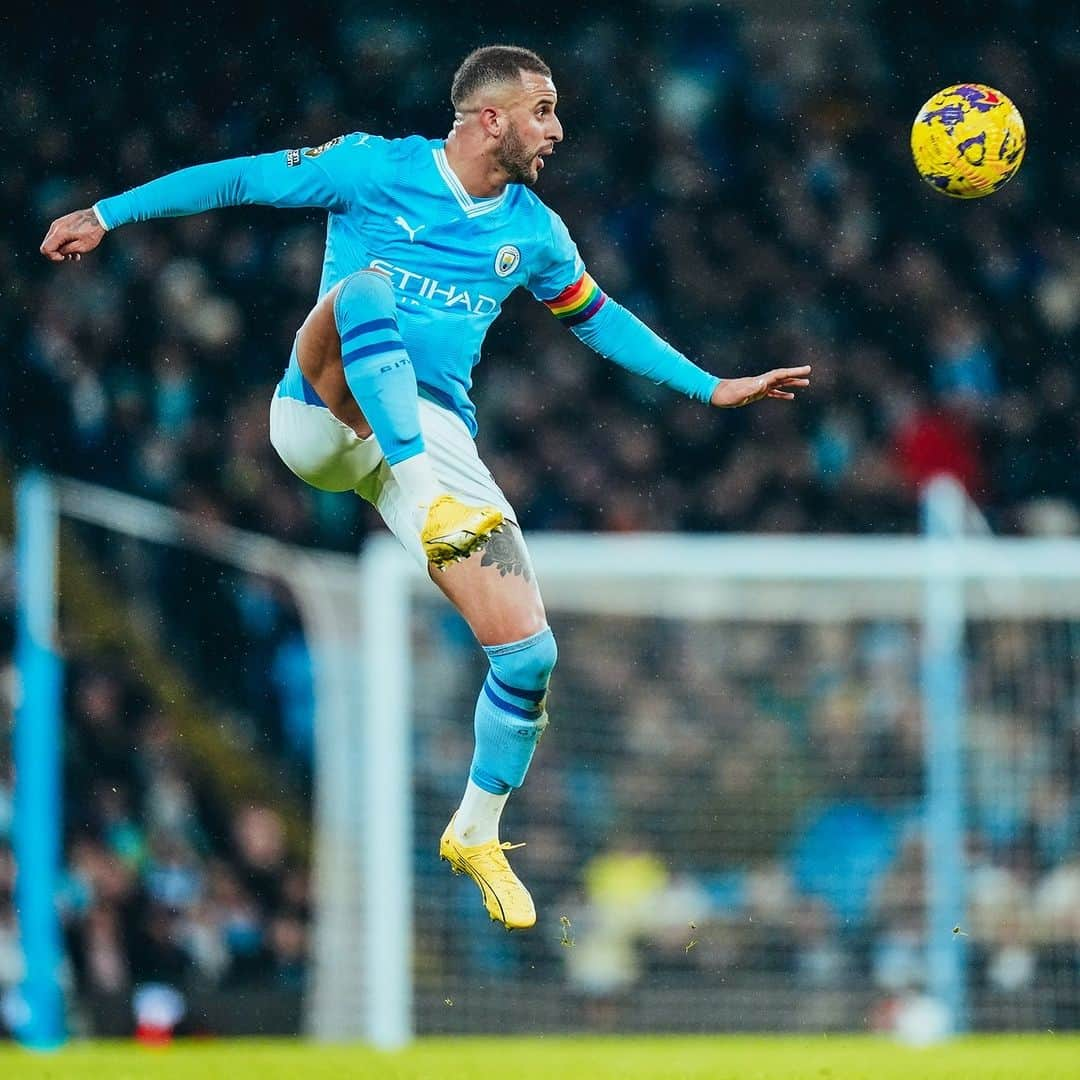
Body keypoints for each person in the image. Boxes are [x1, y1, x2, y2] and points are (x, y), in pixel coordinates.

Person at [41, 45, 810, 931]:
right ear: (490, 118)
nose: (557, 130)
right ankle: (425, 498)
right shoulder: (376, 167)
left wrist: (709, 387)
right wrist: (108, 212)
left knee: (529, 655)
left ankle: (477, 828)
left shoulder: (535, 233)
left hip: (433, 430)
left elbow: (601, 321)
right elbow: (238, 180)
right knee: (367, 291)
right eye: (543, 110)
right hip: (323, 415)